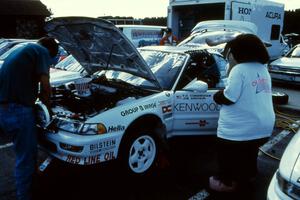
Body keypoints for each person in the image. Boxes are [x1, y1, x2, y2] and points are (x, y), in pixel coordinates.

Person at [209, 34, 275, 193]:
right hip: (264, 127)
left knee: (226, 153)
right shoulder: (263, 69)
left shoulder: (239, 69)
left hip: (237, 131)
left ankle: (226, 181)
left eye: (230, 52)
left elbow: (229, 97)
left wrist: (216, 96)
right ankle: (249, 175)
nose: (229, 55)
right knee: (249, 151)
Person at [0, 37, 58, 200]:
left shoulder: (22, 50)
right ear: (51, 51)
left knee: (26, 150)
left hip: (4, 109)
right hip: (18, 110)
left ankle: (34, 180)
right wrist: (50, 109)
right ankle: (24, 196)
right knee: (24, 158)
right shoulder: (41, 52)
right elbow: (45, 86)